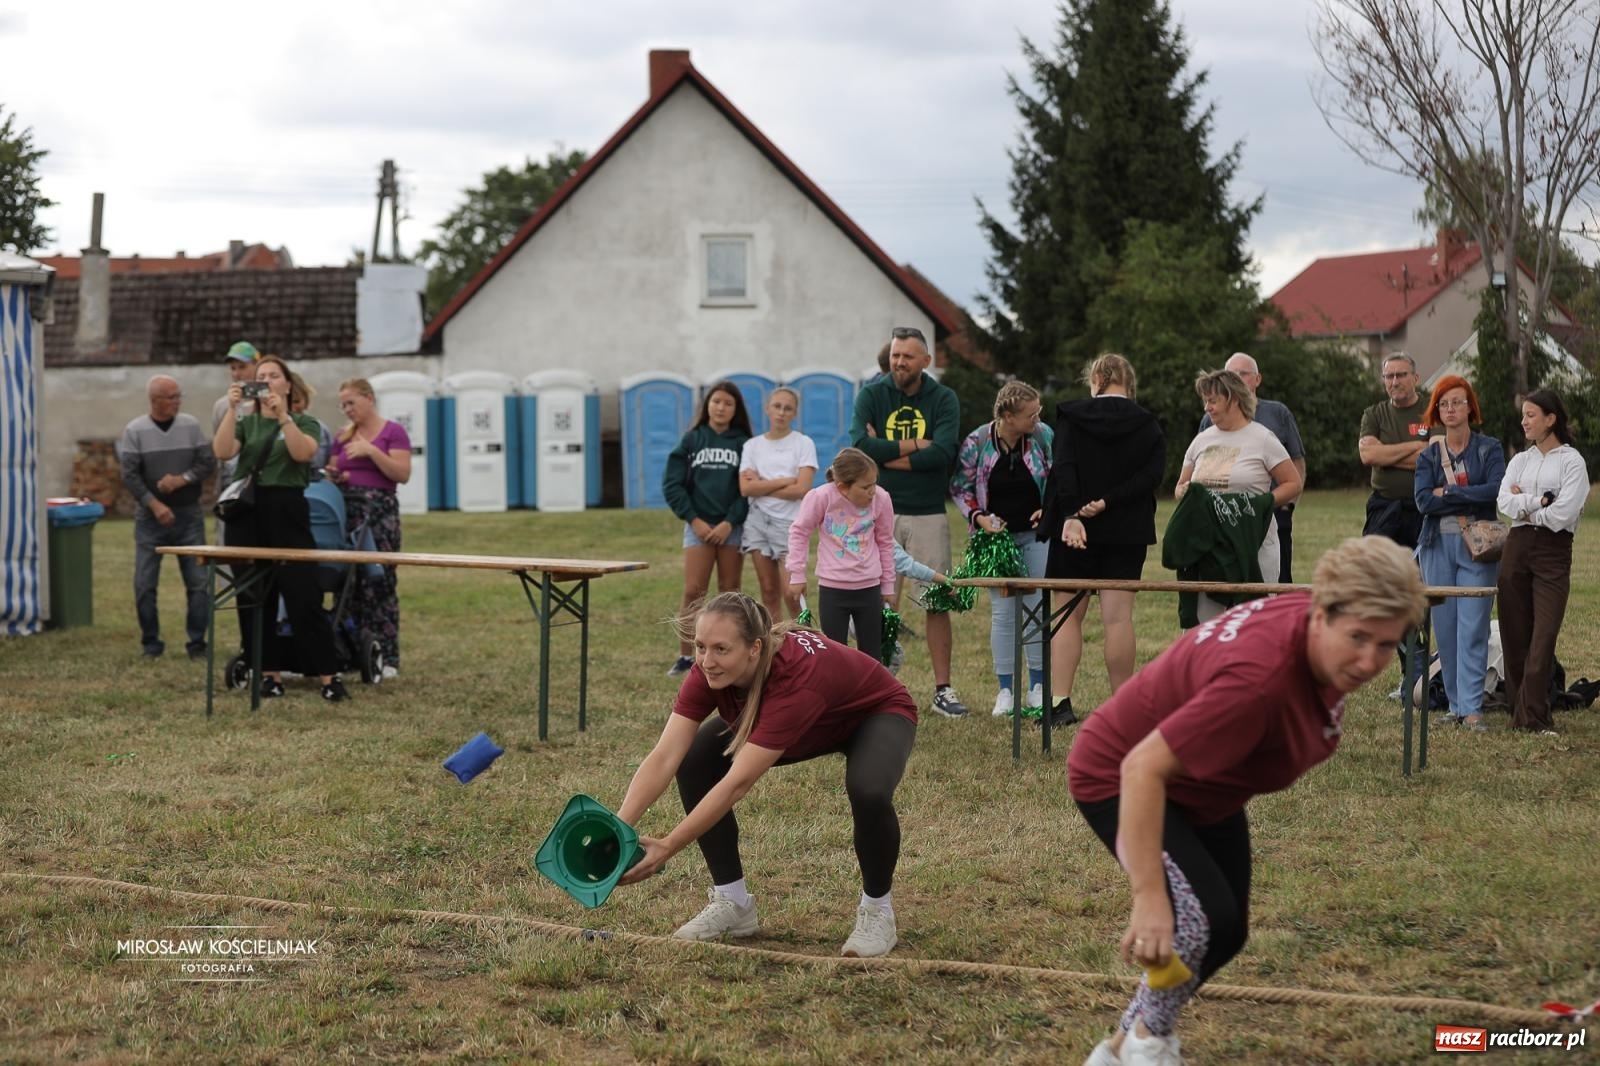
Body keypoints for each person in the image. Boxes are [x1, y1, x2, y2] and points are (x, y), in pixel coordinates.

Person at [1069, 537, 1426, 1066]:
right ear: (1321, 614)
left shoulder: (1313, 626)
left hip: (1202, 779)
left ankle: (1120, 1049)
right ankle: (1143, 1047)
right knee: (1199, 920)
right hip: (1123, 776)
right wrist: (1149, 896)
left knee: (1227, 930)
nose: (1370, 660)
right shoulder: (1258, 683)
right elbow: (1142, 767)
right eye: (1357, 638)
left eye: (1386, 645)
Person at [616, 591, 918, 959]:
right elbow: (665, 755)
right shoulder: (708, 670)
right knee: (695, 759)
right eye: (700, 647)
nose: (707, 661)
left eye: (721, 649)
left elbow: (736, 784)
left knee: (868, 789)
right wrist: (618, 827)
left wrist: (668, 847)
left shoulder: (795, 681)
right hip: (803, 716)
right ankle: (733, 904)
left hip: (874, 713)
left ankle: (877, 911)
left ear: (754, 649)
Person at [212, 354, 349, 702]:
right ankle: (268, 674)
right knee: (254, 599)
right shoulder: (247, 422)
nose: (267, 381)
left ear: (287, 384)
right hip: (248, 515)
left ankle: (328, 677)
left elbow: (302, 454)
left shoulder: (305, 422)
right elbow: (223, 450)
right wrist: (231, 409)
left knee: (303, 596)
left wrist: (283, 416)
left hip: (287, 511)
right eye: (261, 376)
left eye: (274, 375)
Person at [1041, 354, 1165, 726]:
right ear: (1128, 382)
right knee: (1117, 620)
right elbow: (1151, 477)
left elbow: (1063, 468)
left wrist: (1073, 514)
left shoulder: (1071, 416)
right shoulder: (1148, 424)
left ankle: (1059, 703)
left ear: (1096, 379)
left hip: (1073, 530)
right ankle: (1123, 706)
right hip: (1126, 530)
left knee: (1066, 618)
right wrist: (1109, 502)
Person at [851, 325, 966, 717]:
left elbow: (944, 452)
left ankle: (943, 691)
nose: (900, 363)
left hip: (928, 511)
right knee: (878, 600)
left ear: (926, 361)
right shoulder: (872, 394)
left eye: (908, 357)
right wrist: (918, 445)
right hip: (877, 509)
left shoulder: (943, 398)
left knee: (935, 600)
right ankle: (875, 688)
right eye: (896, 356)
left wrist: (884, 455)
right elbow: (859, 447)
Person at [949, 380, 1054, 718]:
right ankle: (1006, 691)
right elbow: (960, 487)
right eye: (1030, 415)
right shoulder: (977, 443)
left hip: (1036, 536)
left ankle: (1038, 686)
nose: (1036, 420)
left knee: (1037, 609)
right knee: (1004, 614)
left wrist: (1049, 507)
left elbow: (1060, 478)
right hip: (997, 541)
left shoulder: (1043, 438)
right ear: (1008, 416)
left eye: (1037, 413)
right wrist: (978, 517)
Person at [1413, 376, 1504, 732]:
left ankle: (1473, 707)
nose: (1451, 409)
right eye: (1444, 404)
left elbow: (1494, 490)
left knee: (1474, 627)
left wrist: (1447, 494)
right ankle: (1454, 704)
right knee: (1447, 628)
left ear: (1470, 407)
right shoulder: (1428, 455)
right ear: (1437, 411)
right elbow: (1422, 501)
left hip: (1478, 547)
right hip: (1437, 546)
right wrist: (1466, 494)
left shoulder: (1489, 448)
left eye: (1457, 402)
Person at [1174, 370, 1302, 622]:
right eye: (1205, 400)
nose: (1207, 407)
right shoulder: (1201, 440)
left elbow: (1292, 483)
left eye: (1212, 400)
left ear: (1233, 399)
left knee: (1256, 619)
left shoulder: (1263, 438)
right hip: (1208, 545)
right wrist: (1184, 492)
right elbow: (1181, 485)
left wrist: (1258, 505)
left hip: (1254, 540)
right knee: (1207, 621)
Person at [1496, 389, 1588, 734]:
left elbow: (1564, 514)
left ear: (1551, 419)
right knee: (1514, 632)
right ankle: (1520, 711)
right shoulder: (1520, 460)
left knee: (1543, 634)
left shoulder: (1571, 461)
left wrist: (1528, 507)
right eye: (1523, 415)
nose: (1524, 421)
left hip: (1553, 551)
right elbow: (1505, 502)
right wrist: (1540, 502)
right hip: (1516, 548)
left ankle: (1533, 716)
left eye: (1531, 415)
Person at [118, 375, 216, 659]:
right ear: (154, 400)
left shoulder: (191, 426)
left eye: (178, 396)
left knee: (198, 584)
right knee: (144, 585)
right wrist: (154, 504)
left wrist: (182, 479)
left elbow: (206, 463)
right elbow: (129, 474)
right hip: (150, 520)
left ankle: (197, 644)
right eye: (171, 397)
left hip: (189, 515)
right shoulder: (135, 431)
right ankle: (151, 643)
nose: (177, 402)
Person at [663, 380, 754, 676]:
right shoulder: (691, 440)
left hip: (731, 527)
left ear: (735, 409)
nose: (721, 408)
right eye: (716, 402)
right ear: (707, 405)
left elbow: (747, 490)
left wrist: (730, 521)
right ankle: (687, 656)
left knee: (729, 592)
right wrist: (695, 520)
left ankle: (729, 652)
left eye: (728, 403)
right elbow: (673, 485)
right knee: (693, 591)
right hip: (698, 526)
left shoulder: (744, 443)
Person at [327, 377, 413, 680]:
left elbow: (402, 474)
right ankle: (349, 651)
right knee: (348, 583)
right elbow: (335, 468)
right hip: (349, 511)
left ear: (369, 398)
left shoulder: (393, 432)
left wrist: (372, 452)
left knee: (381, 581)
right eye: (343, 405)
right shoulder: (343, 435)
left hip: (380, 513)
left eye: (352, 402)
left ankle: (387, 655)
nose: (347, 410)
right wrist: (336, 475)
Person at [1197, 353, 1305, 582]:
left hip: (1271, 510)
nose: (1236, 378)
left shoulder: (1276, 414)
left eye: (1242, 373)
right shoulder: (1210, 420)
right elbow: (1202, 467)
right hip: (1222, 518)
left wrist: (1287, 506)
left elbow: (1296, 461)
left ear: (1257, 379)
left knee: (1275, 580)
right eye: (1230, 374)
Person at [786, 448, 897, 663]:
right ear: (842, 487)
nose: (872, 491)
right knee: (834, 655)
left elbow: (885, 542)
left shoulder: (881, 499)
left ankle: (871, 695)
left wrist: (888, 586)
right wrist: (797, 575)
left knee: (872, 655)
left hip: (869, 589)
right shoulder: (821, 497)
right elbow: (799, 532)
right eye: (865, 487)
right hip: (833, 590)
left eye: (874, 483)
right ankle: (839, 696)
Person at [739, 387, 818, 621]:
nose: (781, 412)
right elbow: (746, 488)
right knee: (769, 592)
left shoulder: (803, 443)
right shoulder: (752, 446)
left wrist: (762, 484)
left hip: (789, 525)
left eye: (788, 408)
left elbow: (801, 490)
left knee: (792, 594)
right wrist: (785, 480)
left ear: (795, 413)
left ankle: (802, 643)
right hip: (757, 521)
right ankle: (774, 647)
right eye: (777, 406)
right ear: (767, 409)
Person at [1359, 353, 1430, 547]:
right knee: (1376, 570)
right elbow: (1368, 455)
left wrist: (1384, 456)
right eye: (1389, 376)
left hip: (1422, 508)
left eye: (1401, 375)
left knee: (1420, 574)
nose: (1395, 381)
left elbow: (1433, 459)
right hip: (1383, 507)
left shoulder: (1432, 410)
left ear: (1416, 378)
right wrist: (1417, 446)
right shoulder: (1374, 414)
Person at [211, 341, 260, 543]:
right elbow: (220, 445)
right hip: (231, 483)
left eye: (242, 367)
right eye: (233, 368)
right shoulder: (222, 406)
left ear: (256, 365)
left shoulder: (267, 402)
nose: (237, 373)